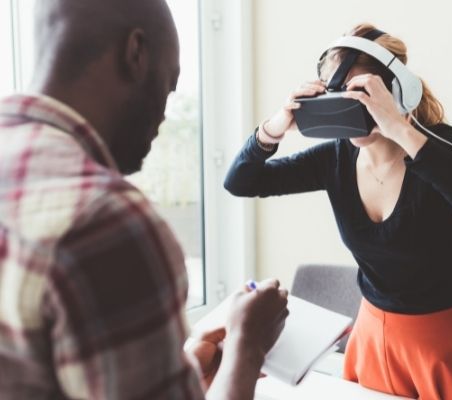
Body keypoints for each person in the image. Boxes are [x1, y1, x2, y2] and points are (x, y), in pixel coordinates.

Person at [0, 0, 288, 399]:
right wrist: (247, 346)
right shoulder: (105, 219)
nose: (165, 115)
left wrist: (180, 371)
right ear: (136, 53)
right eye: (169, 85)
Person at [224, 23, 452, 400]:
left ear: (397, 91)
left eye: (362, 93)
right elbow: (240, 182)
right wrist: (275, 126)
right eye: (339, 95)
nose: (351, 108)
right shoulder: (334, 158)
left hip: (447, 342)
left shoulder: (437, 145)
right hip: (373, 338)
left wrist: (399, 128)